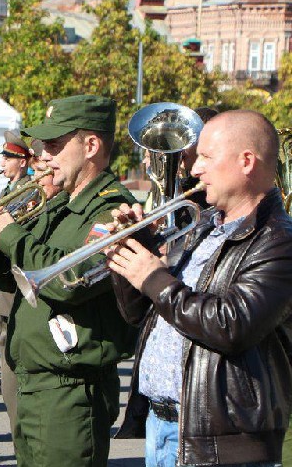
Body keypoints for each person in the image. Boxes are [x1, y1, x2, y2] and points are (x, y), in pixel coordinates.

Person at [108, 110, 292, 467]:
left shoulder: (279, 241)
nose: (194, 169)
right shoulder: (203, 225)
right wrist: (134, 248)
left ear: (246, 162)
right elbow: (141, 314)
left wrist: (153, 277)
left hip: (220, 443)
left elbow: (231, 325)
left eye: (207, 157)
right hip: (161, 425)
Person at [0, 95, 138, 467]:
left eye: (55, 145)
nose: (42, 154)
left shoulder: (111, 210)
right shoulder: (59, 205)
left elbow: (69, 280)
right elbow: (17, 278)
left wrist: (9, 234)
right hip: (34, 380)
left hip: (71, 390)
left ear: (91, 146)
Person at [0, 131, 37, 423]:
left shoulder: (29, 189)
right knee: (2, 340)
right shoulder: (10, 188)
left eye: (9, 157)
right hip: (4, 278)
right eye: (2, 157)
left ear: (23, 161)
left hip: (17, 279)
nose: (3, 162)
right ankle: (6, 378)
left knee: (10, 344)